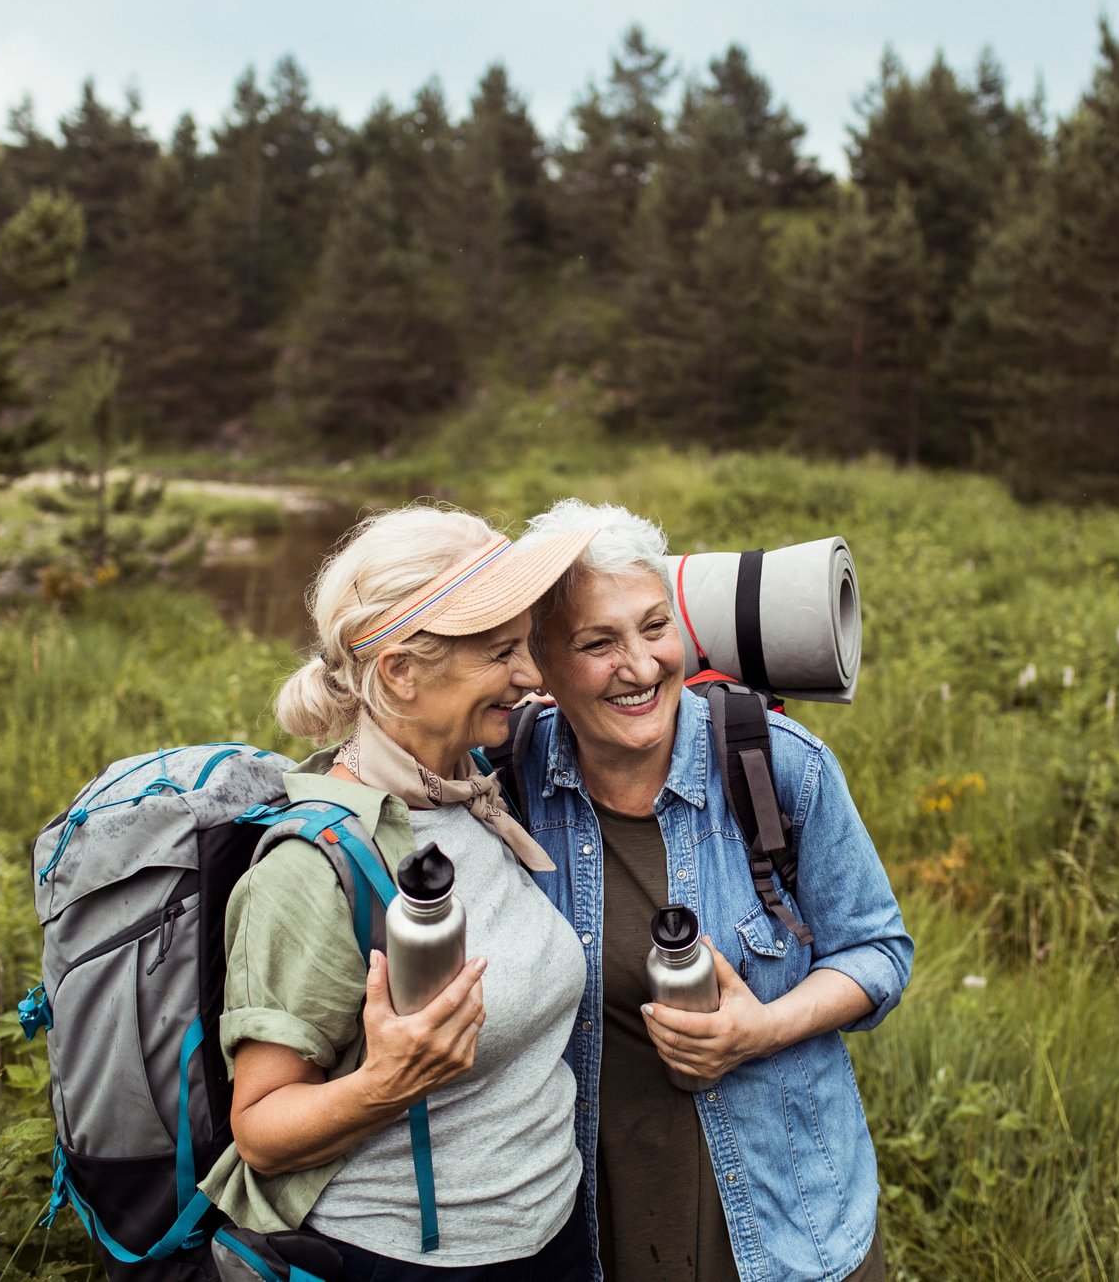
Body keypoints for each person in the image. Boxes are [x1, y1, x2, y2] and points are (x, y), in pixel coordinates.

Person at [510, 499, 913, 1282]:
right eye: (597, 643)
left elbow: (879, 953)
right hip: (597, 1228)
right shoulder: (512, 785)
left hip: (787, 1228)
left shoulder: (776, 767)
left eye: (654, 627)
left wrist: (760, 1030)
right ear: (540, 667)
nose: (639, 666)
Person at [199, 504, 598, 1281]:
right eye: (500, 652)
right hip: (409, 1261)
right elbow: (262, 1130)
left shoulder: (468, 792)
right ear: (400, 673)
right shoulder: (312, 868)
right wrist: (388, 1084)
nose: (530, 677)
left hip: (547, 1234)